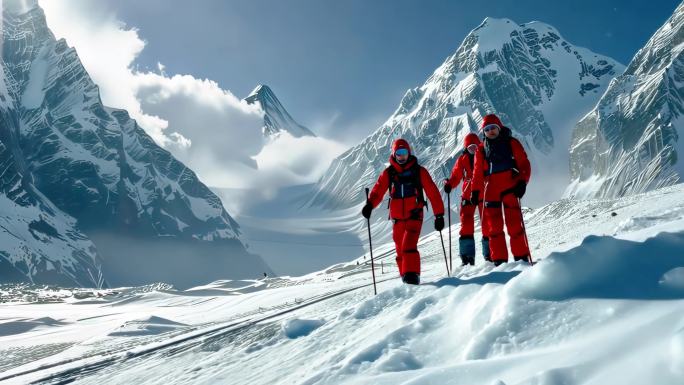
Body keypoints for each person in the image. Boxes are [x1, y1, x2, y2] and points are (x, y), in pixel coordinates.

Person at [362, 139, 445, 285]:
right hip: (397, 219)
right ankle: (405, 279)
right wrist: (370, 205)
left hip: (415, 215)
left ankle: (412, 277)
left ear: (409, 153)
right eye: (398, 153)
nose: (401, 156)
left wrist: (439, 215)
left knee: (408, 246)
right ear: (394, 155)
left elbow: (433, 193)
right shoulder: (389, 173)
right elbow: (378, 191)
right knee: (400, 251)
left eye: (404, 153)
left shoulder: (419, 171)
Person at [470, 114, 531, 265]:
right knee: (494, 229)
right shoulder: (481, 149)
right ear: (483, 132)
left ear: (499, 128)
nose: (490, 131)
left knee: (515, 225)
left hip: (510, 187)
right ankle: (499, 262)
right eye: (487, 129)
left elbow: (524, 164)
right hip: (490, 192)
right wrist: (475, 191)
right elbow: (477, 173)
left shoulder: (511, 143)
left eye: (493, 128)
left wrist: (523, 181)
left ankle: (521, 258)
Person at [444, 133, 490, 266]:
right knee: (466, 224)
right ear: (466, 148)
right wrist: (449, 184)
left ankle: (489, 254)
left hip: (483, 193)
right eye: (470, 148)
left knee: (487, 224)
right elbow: (456, 176)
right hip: (467, 195)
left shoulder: (483, 156)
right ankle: (467, 257)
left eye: (475, 147)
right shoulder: (462, 160)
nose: (473, 150)